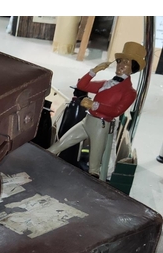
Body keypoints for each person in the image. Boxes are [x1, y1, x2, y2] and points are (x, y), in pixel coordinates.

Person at [48, 41, 147, 177]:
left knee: (94, 167)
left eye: (126, 63)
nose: (120, 65)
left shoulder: (129, 91)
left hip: (101, 126)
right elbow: (82, 85)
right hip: (87, 121)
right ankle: (38, 162)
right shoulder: (107, 83)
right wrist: (94, 70)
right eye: (120, 61)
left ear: (132, 69)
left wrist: (94, 105)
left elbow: (117, 111)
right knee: (59, 144)